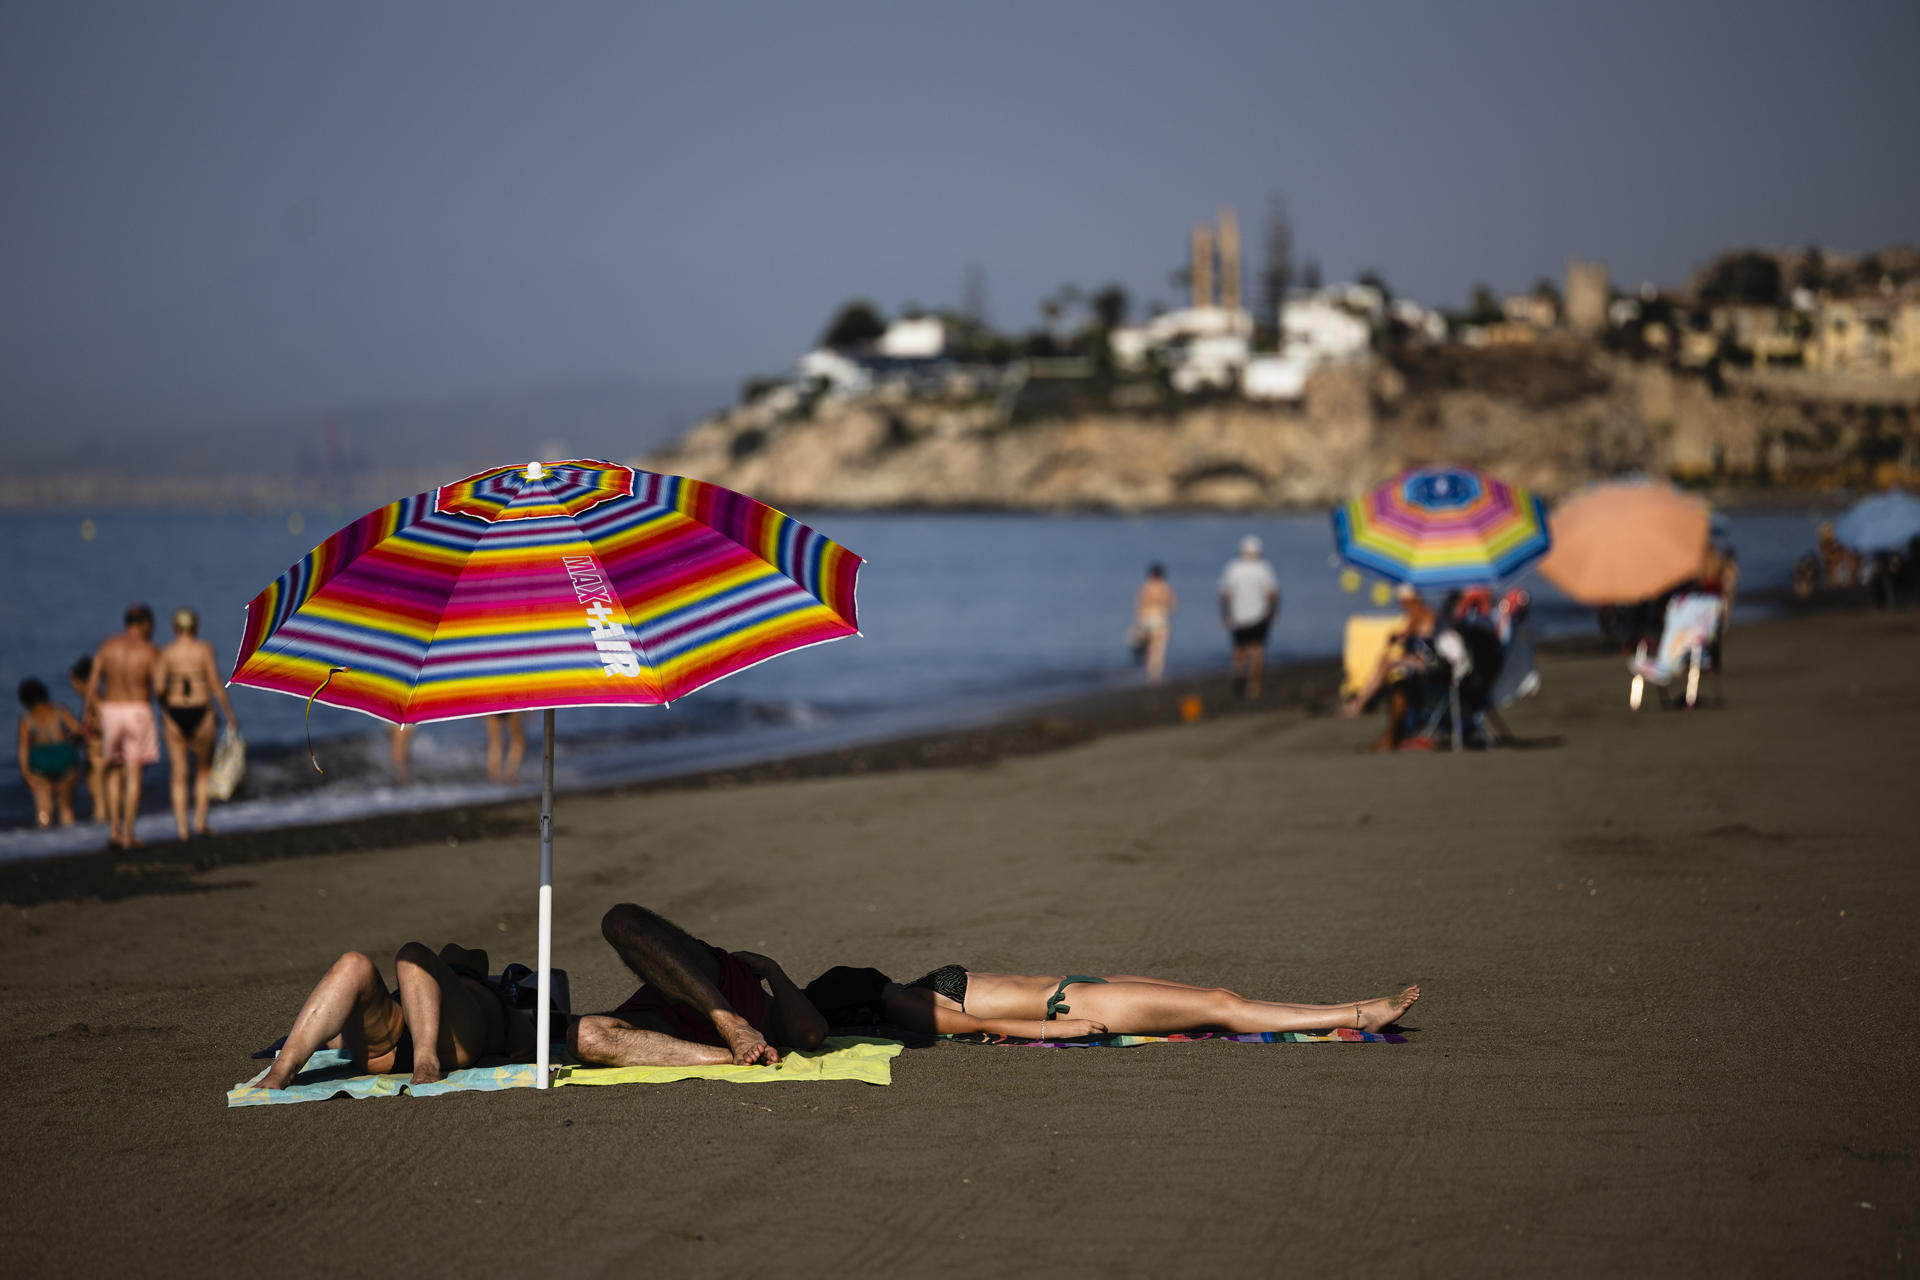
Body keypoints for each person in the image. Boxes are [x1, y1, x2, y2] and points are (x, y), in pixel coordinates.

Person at [807, 963, 1418, 1040]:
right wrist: (1057, 1033)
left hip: (1077, 990)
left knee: (1220, 999)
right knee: (1222, 1003)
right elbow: (982, 1023)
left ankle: (1349, 1008)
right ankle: (1357, 1013)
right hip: (1069, 1008)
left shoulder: (899, 996)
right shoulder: (900, 1002)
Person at [568, 903, 827, 1068]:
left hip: (698, 1019)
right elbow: (810, 1030)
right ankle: (729, 1032)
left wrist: (773, 970)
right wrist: (770, 969)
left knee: (619, 920)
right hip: (697, 1007)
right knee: (619, 920)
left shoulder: (767, 1017)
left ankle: (730, 1034)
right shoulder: (757, 1007)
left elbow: (811, 1033)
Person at [261, 941, 533, 1090]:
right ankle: (425, 1063)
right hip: (440, 1043)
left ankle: (280, 1070)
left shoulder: (478, 992)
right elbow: (525, 1041)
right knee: (378, 960)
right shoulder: (484, 994)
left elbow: (336, 1039)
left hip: (389, 1053)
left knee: (381, 960)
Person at [155, 608, 240, 840]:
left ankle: (182, 829)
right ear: (196, 627)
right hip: (201, 709)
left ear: (174, 627)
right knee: (203, 770)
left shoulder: (167, 652)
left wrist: (165, 706)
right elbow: (214, 681)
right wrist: (229, 713)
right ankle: (200, 822)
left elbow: (159, 687)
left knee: (179, 772)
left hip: (174, 712)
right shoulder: (204, 649)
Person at [83, 604, 161, 848]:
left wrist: (88, 713)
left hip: (111, 710)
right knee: (134, 772)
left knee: (114, 771)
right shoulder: (149, 650)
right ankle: (129, 834)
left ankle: (114, 831)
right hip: (138, 709)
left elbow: (92, 684)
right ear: (144, 624)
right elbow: (159, 688)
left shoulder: (107, 646)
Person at [1340, 586, 1444, 751]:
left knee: (1390, 668)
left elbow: (1422, 646)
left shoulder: (1424, 616)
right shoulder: (1421, 615)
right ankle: (1364, 702)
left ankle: (1361, 702)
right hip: (1425, 668)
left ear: (1411, 601)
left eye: (1403, 602)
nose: (1402, 605)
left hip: (1431, 670)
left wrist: (1399, 640)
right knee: (1390, 667)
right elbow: (1408, 636)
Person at [1218, 535, 1280, 699]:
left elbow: (1225, 595)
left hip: (1238, 616)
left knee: (1239, 649)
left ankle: (1240, 675)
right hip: (1259, 616)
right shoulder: (1263, 568)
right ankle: (1253, 685)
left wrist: (1225, 615)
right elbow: (1273, 594)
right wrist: (1273, 613)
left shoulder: (1233, 568)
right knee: (1257, 649)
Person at [16, 678, 83, 828]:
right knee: (66, 807)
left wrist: (26, 773)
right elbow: (77, 731)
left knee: (44, 809)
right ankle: (71, 839)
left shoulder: (27, 719)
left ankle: (44, 841)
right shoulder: (60, 710)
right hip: (65, 761)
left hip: (41, 765)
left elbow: (23, 749)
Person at [67, 656, 114, 827]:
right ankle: (110, 828)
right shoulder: (101, 696)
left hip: (97, 752)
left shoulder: (93, 698)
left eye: (73, 682)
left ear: (81, 680)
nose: (73, 688)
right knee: (108, 795)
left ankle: (101, 831)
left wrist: (82, 732)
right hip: (104, 750)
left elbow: (103, 723)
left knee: (99, 797)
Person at [1131, 564, 1177, 685]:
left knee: (1148, 649)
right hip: (1161, 620)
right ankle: (1155, 676)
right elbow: (1173, 606)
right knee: (1158, 650)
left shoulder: (1145, 588)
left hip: (1146, 620)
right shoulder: (1166, 588)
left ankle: (1150, 674)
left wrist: (1136, 624)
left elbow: (1138, 607)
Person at [484, 711, 525, 783]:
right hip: (511, 704)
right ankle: (511, 774)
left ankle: (494, 777)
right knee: (517, 740)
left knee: (495, 741)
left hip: (492, 704)